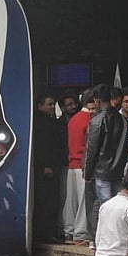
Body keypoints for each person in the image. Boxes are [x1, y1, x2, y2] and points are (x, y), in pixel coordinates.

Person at [84, 83, 128, 206]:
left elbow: (91, 149)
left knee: (106, 206)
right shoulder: (123, 120)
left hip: (101, 170)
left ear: (97, 101)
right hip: (118, 169)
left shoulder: (96, 121)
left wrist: (87, 173)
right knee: (118, 205)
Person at [63, 89, 95, 245]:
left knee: (71, 201)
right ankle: (81, 233)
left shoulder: (73, 120)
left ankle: (68, 231)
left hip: (71, 165)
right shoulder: (90, 120)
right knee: (84, 202)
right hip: (83, 166)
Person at [33, 93, 64, 242]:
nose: (52, 107)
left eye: (53, 104)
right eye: (49, 104)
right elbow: (42, 147)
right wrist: (45, 165)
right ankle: (45, 233)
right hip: (45, 167)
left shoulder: (49, 121)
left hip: (51, 165)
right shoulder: (41, 123)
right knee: (46, 200)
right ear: (40, 105)